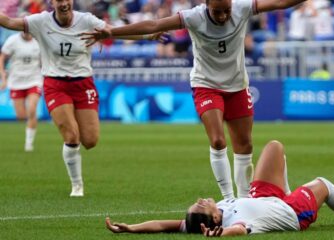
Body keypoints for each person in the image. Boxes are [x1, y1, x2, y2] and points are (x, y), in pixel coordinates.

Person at [83, 0, 309, 200]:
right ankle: (229, 199)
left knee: (245, 145)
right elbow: (154, 25)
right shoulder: (193, 17)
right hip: (206, 85)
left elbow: (279, 3)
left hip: (237, 86)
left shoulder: (242, 8)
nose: (222, 17)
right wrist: (111, 33)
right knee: (218, 140)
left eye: (226, 11)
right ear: (207, 5)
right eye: (217, 11)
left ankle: (244, 198)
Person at [0, 0, 162, 197]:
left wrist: (147, 36)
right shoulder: (40, 21)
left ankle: (75, 158)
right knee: (71, 136)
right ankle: (77, 186)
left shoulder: (86, 20)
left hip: (83, 84)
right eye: (59, 0)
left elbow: (113, 31)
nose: (64, 3)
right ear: (52, 3)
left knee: (90, 141)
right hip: (55, 84)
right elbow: (8, 21)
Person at [105, 140, 334, 236]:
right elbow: (239, 231)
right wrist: (223, 234)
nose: (201, 199)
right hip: (290, 212)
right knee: (323, 182)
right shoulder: (236, 221)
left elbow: (164, 225)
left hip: (265, 196)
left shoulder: (201, 220)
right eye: (202, 205)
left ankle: (286, 192)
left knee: (275, 147)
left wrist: (132, 227)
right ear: (215, 219)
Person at [0, 31, 43, 152]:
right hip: (16, 81)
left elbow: (45, 59)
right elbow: (2, 57)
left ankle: (29, 143)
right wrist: (3, 77)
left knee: (32, 109)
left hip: (34, 80)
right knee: (20, 116)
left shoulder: (38, 41)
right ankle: (30, 125)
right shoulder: (12, 40)